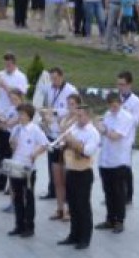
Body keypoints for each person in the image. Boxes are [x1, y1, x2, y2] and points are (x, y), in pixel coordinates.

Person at [57, 104, 100, 250]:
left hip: (83, 173)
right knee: (73, 206)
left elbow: (87, 151)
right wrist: (65, 141)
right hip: (71, 170)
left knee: (83, 206)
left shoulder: (92, 132)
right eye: (77, 115)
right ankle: (73, 235)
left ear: (88, 116)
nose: (78, 118)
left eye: (81, 116)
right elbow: (63, 142)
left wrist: (71, 141)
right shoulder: (74, 128)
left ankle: (84, 238)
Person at [39, 67, 79, 212]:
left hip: (64, 133)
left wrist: (54, 112)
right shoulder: (50, 89)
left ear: (62, 76)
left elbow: (73, 110)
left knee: (64, 168)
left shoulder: (71, 90)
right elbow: (49, 105)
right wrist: (45, 115)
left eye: (56, 78)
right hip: (52, 130)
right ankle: (53, 190)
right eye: (52, 78)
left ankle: (67, 199)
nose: (53, 81)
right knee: (52, 164)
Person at [7, 103, 49, 238]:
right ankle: (19, 225)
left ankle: (29, 226)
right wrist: (12, 144)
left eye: (22, 114)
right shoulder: (17, 129)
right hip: (16, 165)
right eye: (19, 114)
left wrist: (35, 153)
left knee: (28, 197)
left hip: (28, 168)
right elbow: (12, 146)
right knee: (17, 196)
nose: (20, 117)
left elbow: (45, 144)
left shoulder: (35, 129)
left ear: (28, 116)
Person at [0, 53, 29, 193]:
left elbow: (20, 95)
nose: (6, 67)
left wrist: (4, 85)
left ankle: (10, 184)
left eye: (9, 64)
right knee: (0, 151)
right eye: (5, 64)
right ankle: (0, 181)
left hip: (12, 116)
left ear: (14, 63)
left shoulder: (21, 77)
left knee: (10, 151)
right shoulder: (0, 73)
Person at [94, 93, 133, 234]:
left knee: (119, 192)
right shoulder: (108, 114)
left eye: (115, 104)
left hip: (119, 161)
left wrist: (102, 129)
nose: (113, 107)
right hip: (105, 160)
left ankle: (120, 221)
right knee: (108, 191)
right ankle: (110, 219)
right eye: (110, 105)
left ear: (120, 103)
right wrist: (97, 126)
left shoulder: (126, 117)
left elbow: (116, 136)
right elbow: (101, 134)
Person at [116, 71, 139, 205]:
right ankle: (116, 194)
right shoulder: (116, 99)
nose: (120, 87)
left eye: (123, 84)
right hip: (114, 139)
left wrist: (122, 113)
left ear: (129, 84)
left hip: (127, 139)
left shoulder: (136, 101)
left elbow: (135, 121)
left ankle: (128, 195)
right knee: (115, 167)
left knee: (125, 167)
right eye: (118, 84)